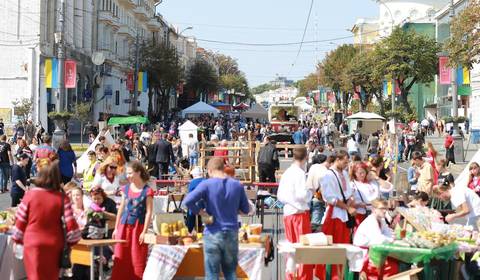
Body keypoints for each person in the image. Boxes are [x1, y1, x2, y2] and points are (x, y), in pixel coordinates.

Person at [182, 157, 250, 280]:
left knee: (212, 274)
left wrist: (202, 213)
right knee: (230, 274)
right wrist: (232, 207)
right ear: (223, 168)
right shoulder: (237, 185)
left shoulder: (206, 184)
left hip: (212, 233)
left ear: (210, 170)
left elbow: (188, 201)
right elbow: (246, 210)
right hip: (231, 233)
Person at [12, 161, 81, 280]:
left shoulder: (30, 195)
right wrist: (68, 244)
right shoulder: (62, 198)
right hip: (54, 244)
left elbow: (19, 223)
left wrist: (17, 241)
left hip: (32, 244)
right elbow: (73, 229)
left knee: (34, 276)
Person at [111, 161, 154, 280]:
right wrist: (116, 228)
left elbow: (149, 212)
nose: (128, 176)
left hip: (138, 228)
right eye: (127, 173)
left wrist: (144, 231)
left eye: (130, 173)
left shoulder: (147, 191)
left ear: (138, 172)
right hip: (124, 226)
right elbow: (121, 208)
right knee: (120, 256)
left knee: (137, 258)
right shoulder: (126, 189)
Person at [317, 150, 355, 280]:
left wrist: (349, 202)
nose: (346, 165)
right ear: (337, 160)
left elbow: (348, 192)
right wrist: (347, 207)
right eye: (344, 162)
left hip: (343, 215)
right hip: (334, 215)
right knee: (332, 248)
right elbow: (330, 198)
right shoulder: (328, 175)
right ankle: (329, 276)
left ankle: (339, 275)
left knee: (342, 247)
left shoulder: (344, 173)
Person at [278, 147, 314, 279]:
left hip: (289, 212)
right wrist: (310, 191)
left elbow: (280, 195)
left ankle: (291, 275)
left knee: (291, 248)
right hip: (299, 214)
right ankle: (302, 277)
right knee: (302, 249)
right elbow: (302, 195)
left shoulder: (287, 172)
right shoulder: (299, 173)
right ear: (306, 157)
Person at [353, 199, 397, 279]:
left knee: (394, 263)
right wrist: (391, 240)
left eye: (385, 209)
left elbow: (389, 233)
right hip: (364, 255)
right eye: (381, 208)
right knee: (391, 264)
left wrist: (392, 238)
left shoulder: (381, 220)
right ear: (374, 209)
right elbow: (379, 240)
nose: (384, 211)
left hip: (374, 251)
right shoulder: (370, 221)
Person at [350, 162, 379, 229]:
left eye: (364, 172)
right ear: (355, 173)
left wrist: (377, 178)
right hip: (360, 214)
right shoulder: (352, 185)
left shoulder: (372, 182)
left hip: (373, 213)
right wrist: (358, 205)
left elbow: (388, 188)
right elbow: (348, 203)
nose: (362, 175)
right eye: (360, 173)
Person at [185, 167, 206, 233]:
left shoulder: (193, 182)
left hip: (198, 205)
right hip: (207, 204)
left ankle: (190, 228)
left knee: (190, 210)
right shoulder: (206, 180)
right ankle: (200, 227)